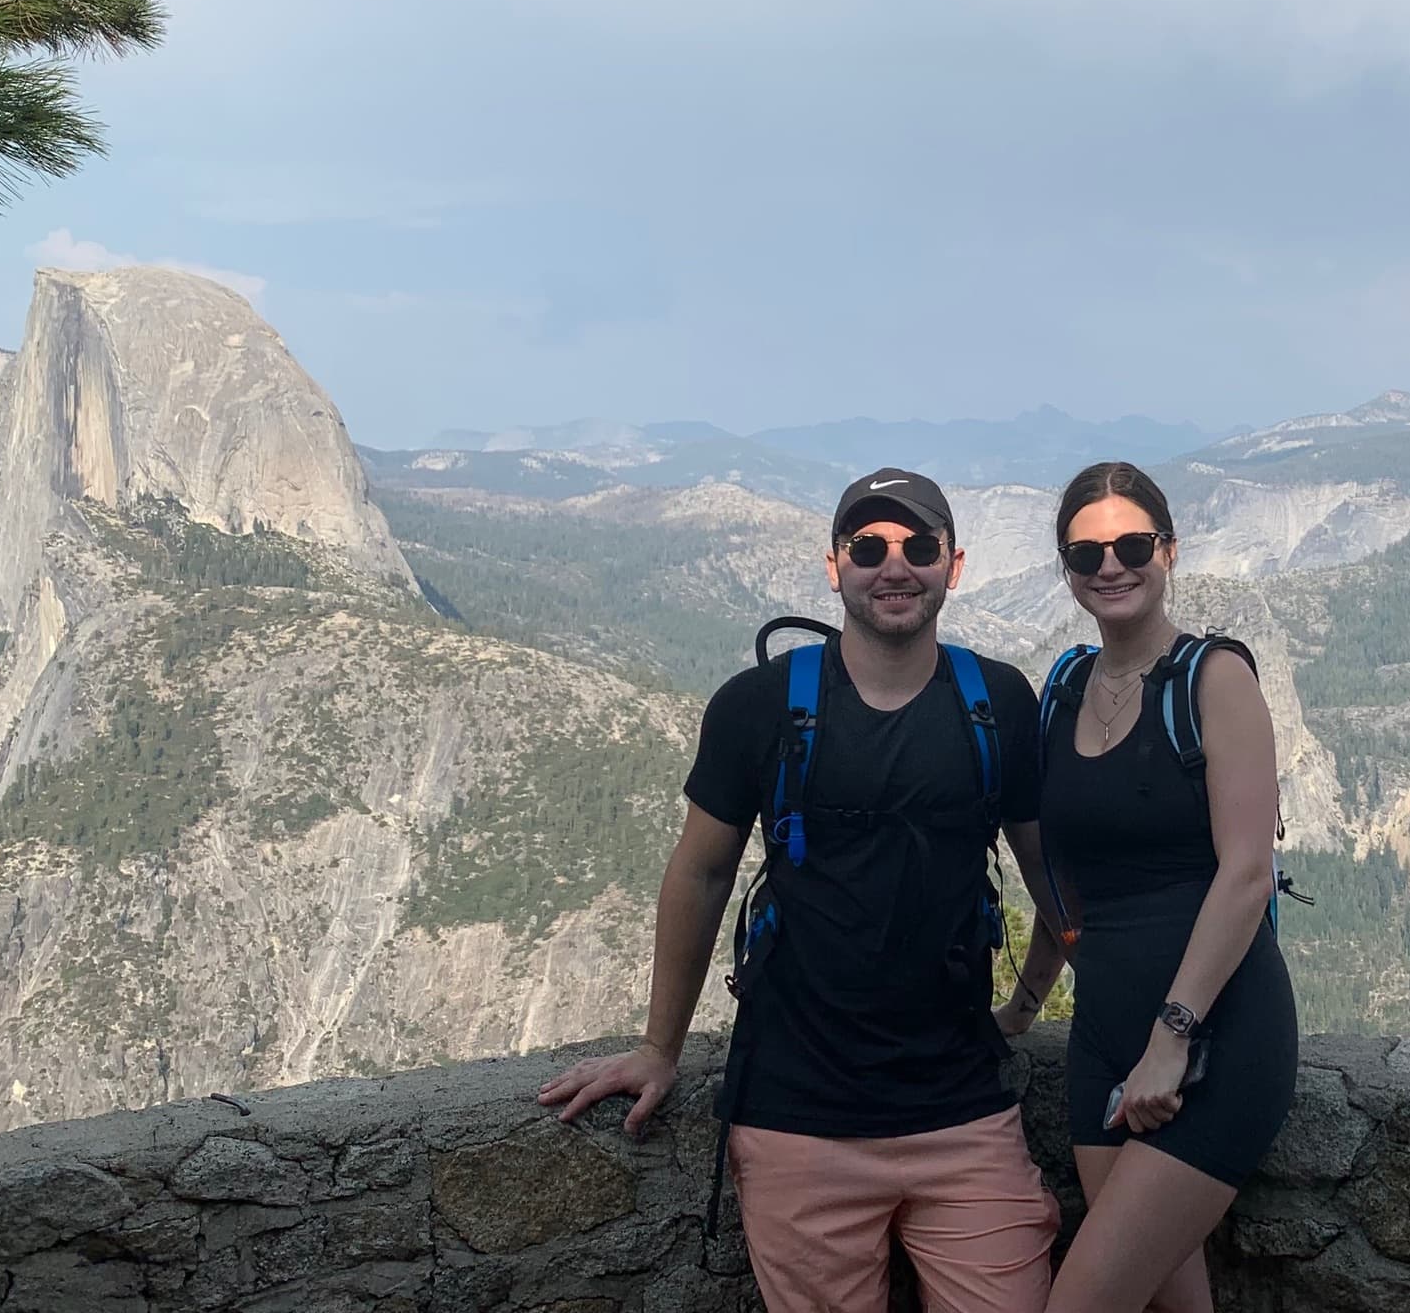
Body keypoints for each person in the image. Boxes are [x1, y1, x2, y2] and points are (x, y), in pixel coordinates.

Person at [541, 467, 1064, 1313]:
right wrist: (659, 1049)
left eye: (918, 546)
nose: (894, 566)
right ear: (834, 566)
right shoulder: (758, 707)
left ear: (953, 565)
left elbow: (1052, 877)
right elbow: (701, 873)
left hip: (965, 1116)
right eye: (868, 547)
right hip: (796, 1119)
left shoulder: (997, 702)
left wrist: (1028, 1008)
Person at [999, 460, 1300, 1313]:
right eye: (1086, 554)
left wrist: (1173, 1036)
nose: (1111, 567)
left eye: (1132, 545)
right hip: (1101, 1041)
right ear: (1066, 570)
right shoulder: (1060, 691)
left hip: (1216, 1038)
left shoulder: (1214, 680)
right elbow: (1061, 883)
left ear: (1169, 551)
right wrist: (1023, 1010)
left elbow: (1245, 877)